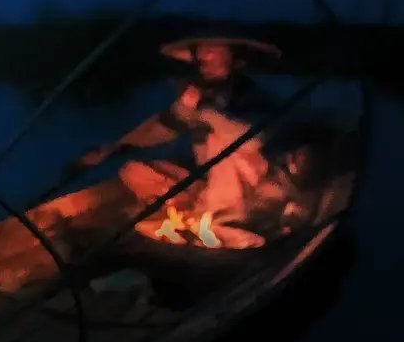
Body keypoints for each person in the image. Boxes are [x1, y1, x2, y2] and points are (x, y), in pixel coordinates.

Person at [69, 37, 282, 238]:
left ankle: (228, 217)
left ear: (236, 58)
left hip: (255, 194)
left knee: (225, 142)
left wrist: (202, 109)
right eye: (199, 50)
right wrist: (113, 148)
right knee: (133, 169)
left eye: (214, 49)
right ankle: (194, 206)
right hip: (208, 184)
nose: (203, 56)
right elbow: (159, 129)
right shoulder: (200, 96)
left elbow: (254, 138)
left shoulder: (253, 96)